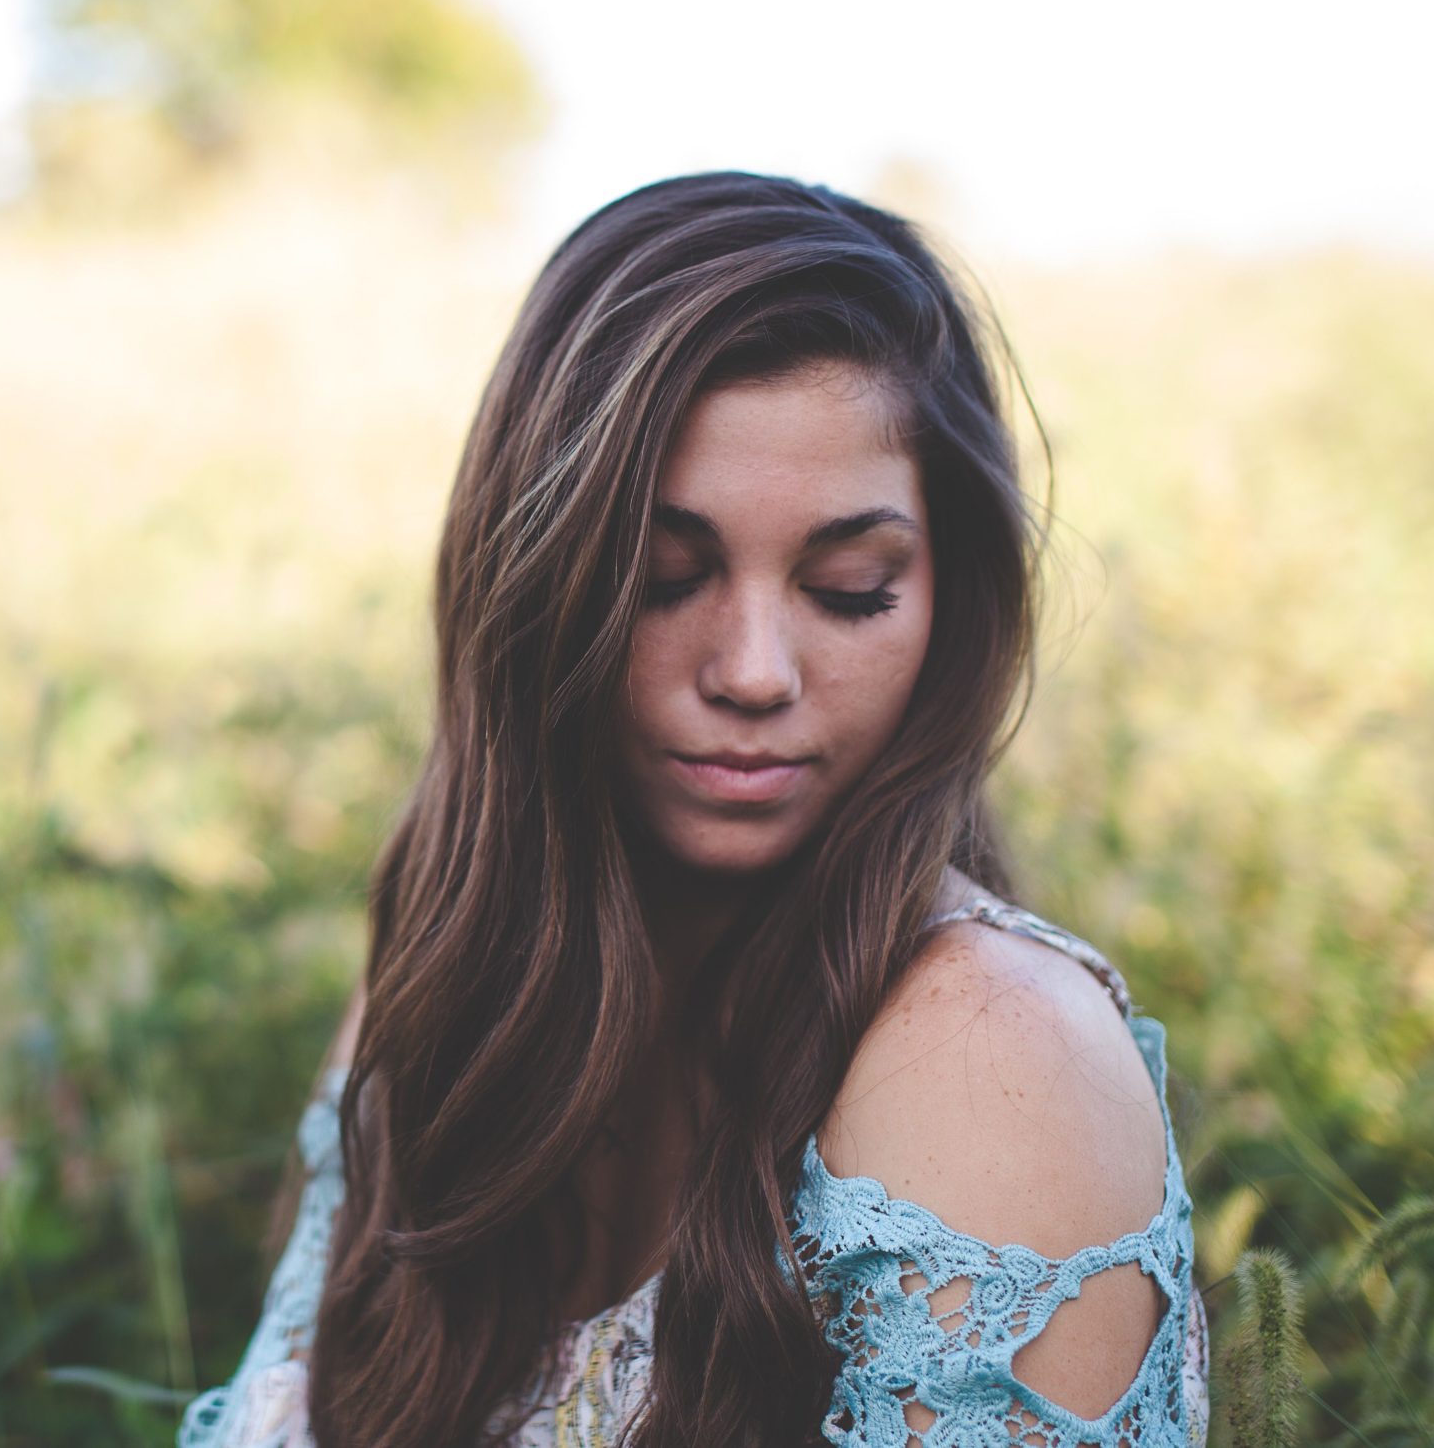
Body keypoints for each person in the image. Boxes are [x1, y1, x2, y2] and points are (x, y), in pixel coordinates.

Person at [178, 171, 1209, 1447]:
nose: (754, 673)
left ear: (951, 605)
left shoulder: (988, 1055)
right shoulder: (440, 978)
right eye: (663, 577)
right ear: (532, 583)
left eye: (849, 588)